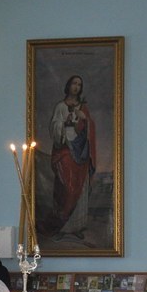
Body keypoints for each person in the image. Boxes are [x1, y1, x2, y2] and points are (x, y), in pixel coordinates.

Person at [45, 75, 96, 240]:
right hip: (65, 149)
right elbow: (54, 127)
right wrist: (63, 122)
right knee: (67, 187)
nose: (76, 87)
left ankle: (75, 226)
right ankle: (61, 225)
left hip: (81, 151)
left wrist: (84, 119)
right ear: (68, 85)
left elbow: (90, 128)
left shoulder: (83, 107)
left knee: (80, 186)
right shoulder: (60, 106)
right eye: (74, 83)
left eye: (79, 84)